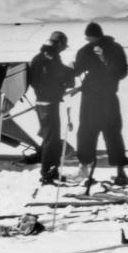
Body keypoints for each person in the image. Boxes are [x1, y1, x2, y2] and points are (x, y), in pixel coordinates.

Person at [73, 22, 128, 185]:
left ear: (89, 36)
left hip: (91, 99)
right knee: (113, 134)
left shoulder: (84, 51)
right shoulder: (117, 48)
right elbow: (122, 72)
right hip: (110, 98)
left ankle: (84, 169)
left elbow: (76, 71)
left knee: (86, 133)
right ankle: (120, 171)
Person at [28, 31, 75, 185]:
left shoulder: (41, 57)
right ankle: (47, 172)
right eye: (63, 47)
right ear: (60, 44)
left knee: (52, 138)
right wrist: (72, 70)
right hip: (48, 103)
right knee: (51, 139)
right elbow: (59, 73)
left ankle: (52, 171)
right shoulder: (51, 58)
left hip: (42, 102)